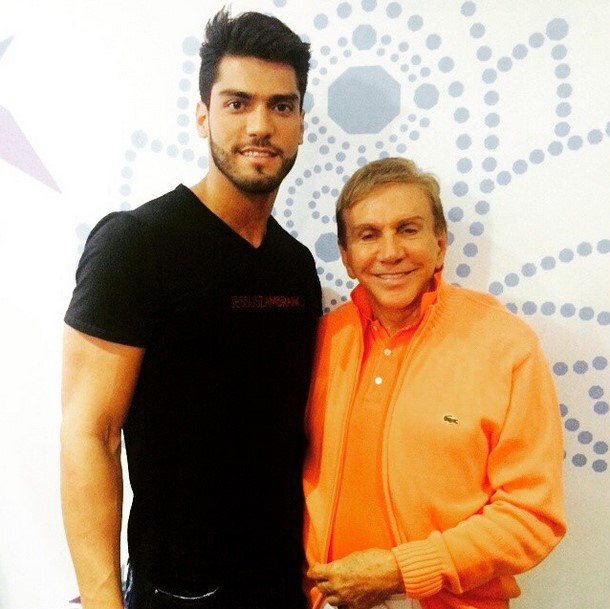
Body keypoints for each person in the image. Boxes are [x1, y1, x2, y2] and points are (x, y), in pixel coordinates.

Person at [60, 8, 321, 609]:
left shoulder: (296, 266)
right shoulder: (135, 244)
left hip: (285, 585)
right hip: (178, 592)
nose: (260, 125)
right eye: (237, 103)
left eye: (281, 106)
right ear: (203, 115)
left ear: (301, 124)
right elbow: (89, 434)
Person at [303, 157, 566, 609]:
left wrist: (402, 571)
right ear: (345, 256)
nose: (390, 252)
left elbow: (532, 515)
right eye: (368, 235)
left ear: (440, 243)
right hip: (325, 599)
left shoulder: (505, 345)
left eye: (407, 229)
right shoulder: (322, 338)